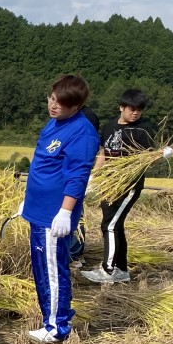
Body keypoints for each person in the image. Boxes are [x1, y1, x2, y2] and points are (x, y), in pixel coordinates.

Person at [22, 75, 99, 343]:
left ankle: (57, 327)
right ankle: (52, 317)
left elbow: (78, 176)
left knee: (53, 270)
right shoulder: (54, 123)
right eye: (52, 99)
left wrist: (65, 212)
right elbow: (44, 164)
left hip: (53, 215)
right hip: (38, 209)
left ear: (76, 107)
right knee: (43, 268)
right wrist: (28, 199)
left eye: (61, 104)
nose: (53, 106)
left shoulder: (83, 133)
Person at [82, 89, 173, 283]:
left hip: (129, 186)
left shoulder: (143, 130)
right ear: (121, 107)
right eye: (132, 109)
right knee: (115, 225)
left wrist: (164, 153)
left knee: (109, 225)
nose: (135, 113)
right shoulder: (109, 127)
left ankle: (107, 271)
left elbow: (147, 159)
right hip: (109, 184)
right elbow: (104, 153)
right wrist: (94, 176)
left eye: (139, 110)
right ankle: (121, 270)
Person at [69, 104, 100, 266]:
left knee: (74, 212)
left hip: (76, 173)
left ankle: (74, 253)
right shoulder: (70, 112)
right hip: (66, 172)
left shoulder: (87, 116)